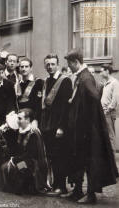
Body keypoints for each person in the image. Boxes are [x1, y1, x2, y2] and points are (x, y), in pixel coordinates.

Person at [65, 49, 118, 204]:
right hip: (82, 129)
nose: (69, 67)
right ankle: (77, 191)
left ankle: (91, 195)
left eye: (69, 64)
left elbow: (94, 98)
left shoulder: (86, 77)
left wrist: (86, 119)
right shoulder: (81, 76)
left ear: (75, 62)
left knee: (90, 161)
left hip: (87, 130)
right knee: (79, 158)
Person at [40, 54, 73, 197]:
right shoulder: (46, 81)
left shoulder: (65, 81)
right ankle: (54, 185)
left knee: (60, 156)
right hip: (47, 124)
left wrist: (62, 127)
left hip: (58, 124)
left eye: (53, 64)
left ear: (58, 64)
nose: (50, 67)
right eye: (47, 64)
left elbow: (66, 107)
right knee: (52, 156)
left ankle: (61, 187)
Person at [0, 108, 48, 195]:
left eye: (20, 118)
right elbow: (13, 147)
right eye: (18, 118)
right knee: (4, 166)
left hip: (32, 162)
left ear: (28, 120)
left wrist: (14, 160)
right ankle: (6, 190)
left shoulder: (33, 133)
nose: (17, 121)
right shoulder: (19, 131)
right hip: (21, 159)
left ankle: (21, 190)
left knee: (18, 167)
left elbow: (31, 154)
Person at [99, 64, 119, 155]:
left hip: (108, 113)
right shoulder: (105, 83)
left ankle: (113, 159)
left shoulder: (114, 82)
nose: (100, 73)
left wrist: (108, 109)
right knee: (106, 135)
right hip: (104, 112)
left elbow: (115, 99)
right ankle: (109, 158)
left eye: (102, 71)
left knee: (110, 135)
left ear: (107, 71)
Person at [18, 57, 44, 122]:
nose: (24, 69)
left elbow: (39, 104)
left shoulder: (38, 82)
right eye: (22, 67)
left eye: (26, 66)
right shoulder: (17, 84)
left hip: (32, 118)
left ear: (31, 68)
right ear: (19, 68)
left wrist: (36, 120)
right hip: (20, 118)